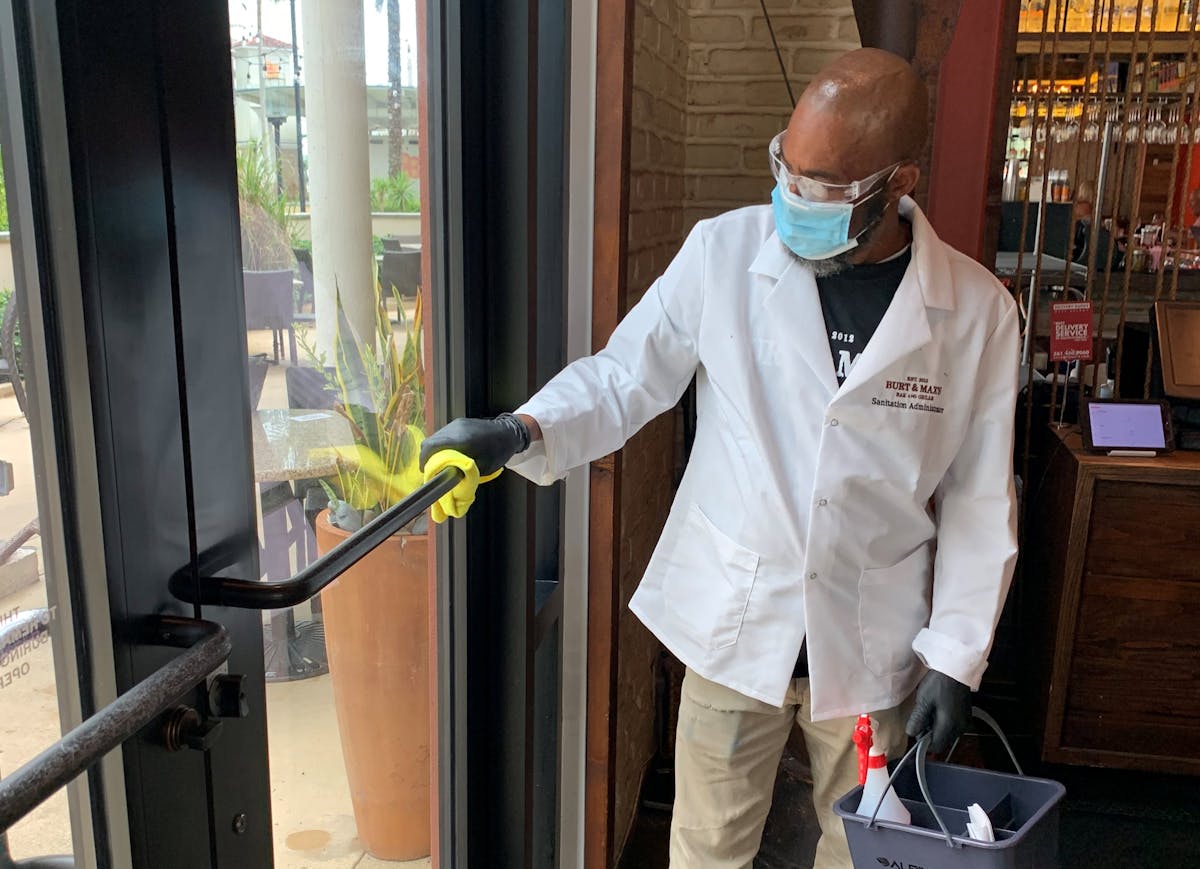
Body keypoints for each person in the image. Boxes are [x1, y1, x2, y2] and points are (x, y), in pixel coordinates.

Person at [420, 48, 1019, 868]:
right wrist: (520, 430)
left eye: (826, 189)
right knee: (707, 846)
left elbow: (980, 496)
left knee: (872, 854)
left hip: (877, 642)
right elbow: (627, 375)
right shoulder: (724, 254)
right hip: (740, 620)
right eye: (788, 169)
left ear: (900, 181)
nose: (794, 201)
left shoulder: (978, 313)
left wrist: (956, 656)